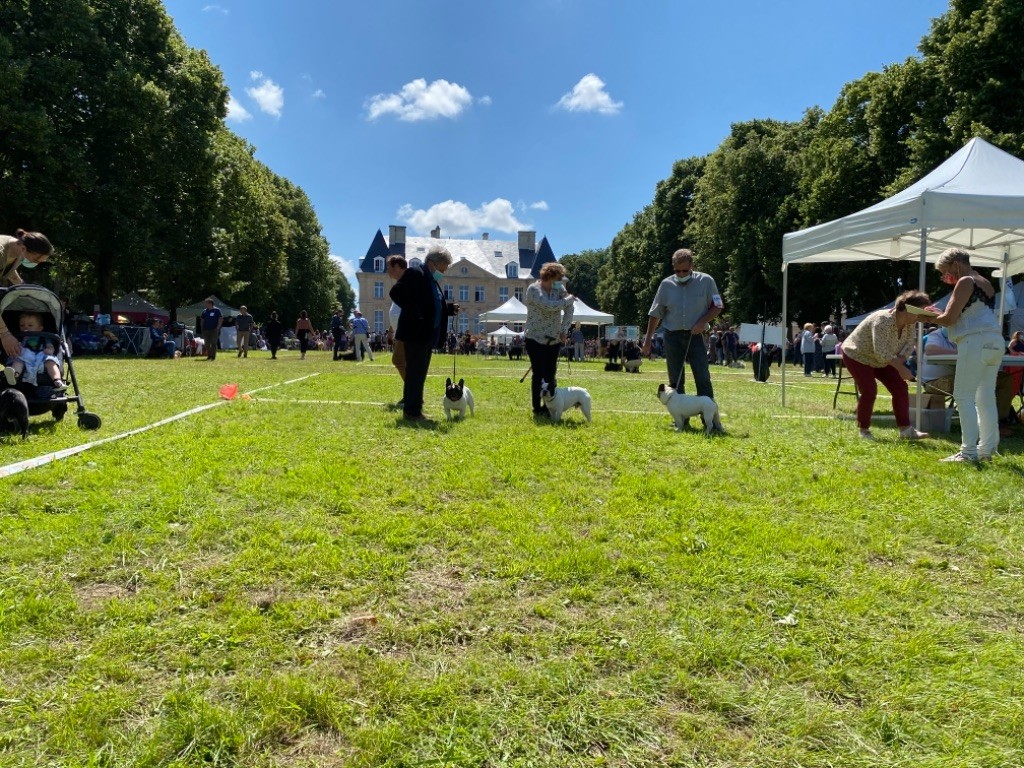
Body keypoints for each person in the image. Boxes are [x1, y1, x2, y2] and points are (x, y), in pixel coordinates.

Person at [929, 248, 1004, 462]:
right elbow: (969, 314)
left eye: (945, 270)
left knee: (963, 396)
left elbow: (949, 320)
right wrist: (939, 316)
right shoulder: (986, 282)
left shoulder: (965, 281)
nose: (946, 276)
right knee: (985, 397)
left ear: (956, 265)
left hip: (975, 342)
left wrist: (926, 317)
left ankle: (968, 451)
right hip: (994, 341)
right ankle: (987, 449)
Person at [840, 290, 932, 441]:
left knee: (900, 388)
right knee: (869, 390)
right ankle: (863, 430)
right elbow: (881, 352)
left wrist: (901, 362)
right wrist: (901, 369)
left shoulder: (910, 323)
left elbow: (909, 346)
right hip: (857, 356)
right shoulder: (882, 320)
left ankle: (906, 430)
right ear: (908, 309)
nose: (921, 317)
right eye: (919, 312)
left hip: (882, 359)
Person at [642, 248, 724, 402]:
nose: (681, 274)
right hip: (672, 336)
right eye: (677, 271)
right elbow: (655, 313)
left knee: (702, 377)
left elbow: (717, 306)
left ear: (692, 265)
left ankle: (710, 420)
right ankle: (680, 420)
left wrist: (702, 322)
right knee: (675, 380)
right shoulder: (666, 284)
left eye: (685, 271)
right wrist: (647, 340)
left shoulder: (707, 281)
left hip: (697, 335)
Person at [389, 245, 458, 421]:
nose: (444, 271)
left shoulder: (431, 280)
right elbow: (396, 292)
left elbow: (431, 305)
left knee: (419, 374)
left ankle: (416, 409)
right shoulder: (416, 273)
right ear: (434, 263)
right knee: (414, 374)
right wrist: (416, 314)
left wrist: (449, 309)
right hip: (415, 333)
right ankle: (411, 412)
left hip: (426, 335)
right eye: (444, 267)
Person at [523, 262, 576, 416]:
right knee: (538, 373)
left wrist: (564, 330)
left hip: (554, 339)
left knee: (550, 373)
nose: (561, 281)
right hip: (534, 337)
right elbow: (548, 306)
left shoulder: (559, 288)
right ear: (551, 276)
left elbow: (569, 309)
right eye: (559, 278)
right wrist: (568, 299)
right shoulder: (533, 289)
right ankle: (537, 407)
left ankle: (549, 405)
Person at [0, 229, 54, 360]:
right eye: (36, 260)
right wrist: (5, 334)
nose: (36, 264)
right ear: (24, 248)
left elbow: (9, 271)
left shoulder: (17, 251)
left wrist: (23, 287)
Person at [3, 311, 66, 393]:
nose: (25, 327)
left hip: (42, 357)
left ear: (40, 328)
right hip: (25, 357)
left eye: (30, 325)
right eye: (22, 325)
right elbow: (16, 347)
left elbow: (50, 346)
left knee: (51, 362)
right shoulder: (19, 338)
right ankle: (14, 375)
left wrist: (50, 349)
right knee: (18, 360)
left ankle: (57, 380)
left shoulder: (45, 337)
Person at [386, 255, 408, 404]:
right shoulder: (401, 284)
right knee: (401, 361)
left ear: (397, 267)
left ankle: (412, 394)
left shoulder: (406, 284)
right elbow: (397, 311)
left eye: (389, 267)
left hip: (406, 331)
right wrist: (390, 330)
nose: (387, 271)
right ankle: (411, 394)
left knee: (399, 360)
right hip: (400, 331)